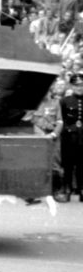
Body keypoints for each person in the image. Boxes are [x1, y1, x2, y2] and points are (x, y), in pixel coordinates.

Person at [54, 74, 83, 203]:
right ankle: (67, 190)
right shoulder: (64, 101)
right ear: (71, 86)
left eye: (82, 85)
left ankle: (81, 190)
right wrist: (69, 129)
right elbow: (61, 119)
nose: (80, 88)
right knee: (68, 166)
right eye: (77, 85)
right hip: (69, 138)